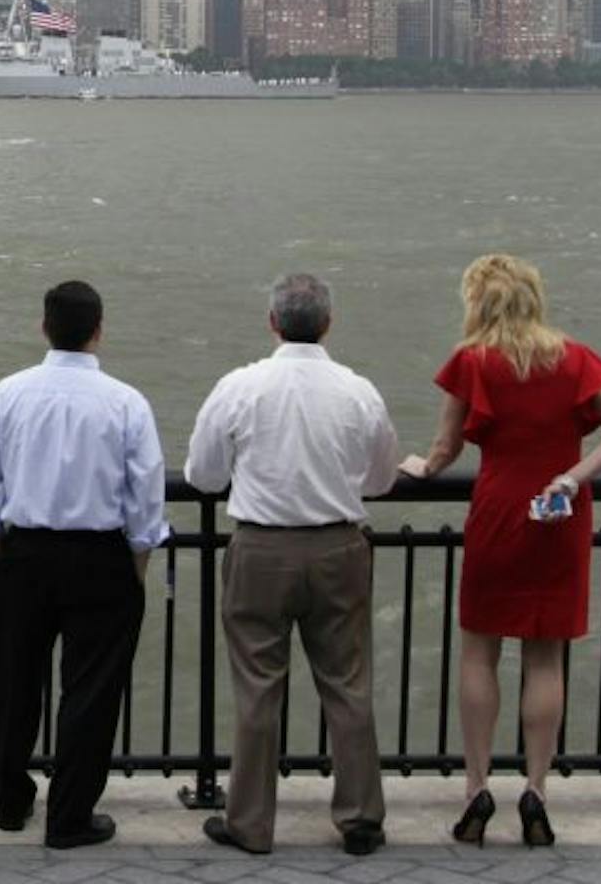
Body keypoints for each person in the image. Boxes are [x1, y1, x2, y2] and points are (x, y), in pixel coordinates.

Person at [399, 254, 601, 848]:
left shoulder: (473, 361)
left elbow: (443, 447)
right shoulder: (574, 358)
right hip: (558, 516)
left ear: (477, 303)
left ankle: (476, 787)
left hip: (500, 512)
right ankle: (536, 789)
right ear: (534, 297)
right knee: (545, 658)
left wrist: (420, 468)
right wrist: (572, 476)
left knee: (480, 652)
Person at [184, 274, 398, 857]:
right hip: (338, 548)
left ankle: (250, 823)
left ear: (272, 323)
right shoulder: (359, 391)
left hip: (261, 548)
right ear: (328, 323)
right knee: (348, 684)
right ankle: (360, 817)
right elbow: (380, 479)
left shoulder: (240, 386)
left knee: (258, 689)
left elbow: (202, 476)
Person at [0, 281, 166, 850]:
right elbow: (145, 492)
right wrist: (139, 556)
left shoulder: (8, 393)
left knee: (12, 681)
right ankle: (70, 815)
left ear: (43, 327)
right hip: (101, 556)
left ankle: (9, 800)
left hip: (24, 552)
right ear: (99, 330)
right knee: (91, 691)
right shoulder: (126, 402)